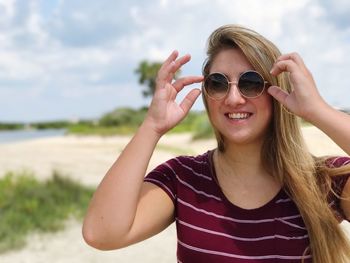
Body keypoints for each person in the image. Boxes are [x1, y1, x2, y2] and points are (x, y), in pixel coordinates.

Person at [82, 24, 350, 262]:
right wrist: (151, 127)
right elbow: (101, 233)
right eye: (218, 84)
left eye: (251, 82)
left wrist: (318, 111)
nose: (233, 98)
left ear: (276, 92)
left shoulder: (324, 182)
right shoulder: (183, 179)